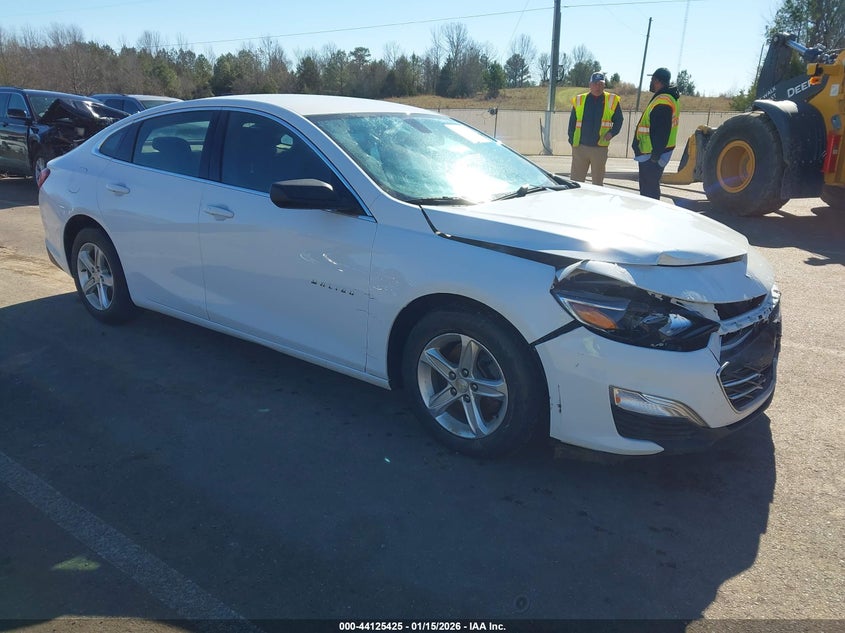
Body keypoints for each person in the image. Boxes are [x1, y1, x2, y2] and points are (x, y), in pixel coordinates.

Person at [567, 71, 623, 186]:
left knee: (597, 183)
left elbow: (619, 120)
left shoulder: (612, 100)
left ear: (604, 85)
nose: (598, 86)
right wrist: (572, 141)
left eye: (601, 84)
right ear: (590, 85)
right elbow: (572, 123)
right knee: (576, 182)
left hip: (600, 148)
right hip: (580, 148)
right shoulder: (580, 100)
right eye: (595, 83)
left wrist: (612, 133)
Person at [632, 67, 680, 200]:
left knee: (649, 192)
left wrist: (655, 155)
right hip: (653, 154)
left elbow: (661, 131)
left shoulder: (663, 101)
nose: (651, 83)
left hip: (652, 155)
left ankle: (650, 217)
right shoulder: (667, 98)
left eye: (652, 79)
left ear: (657, 81)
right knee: (650, 188)